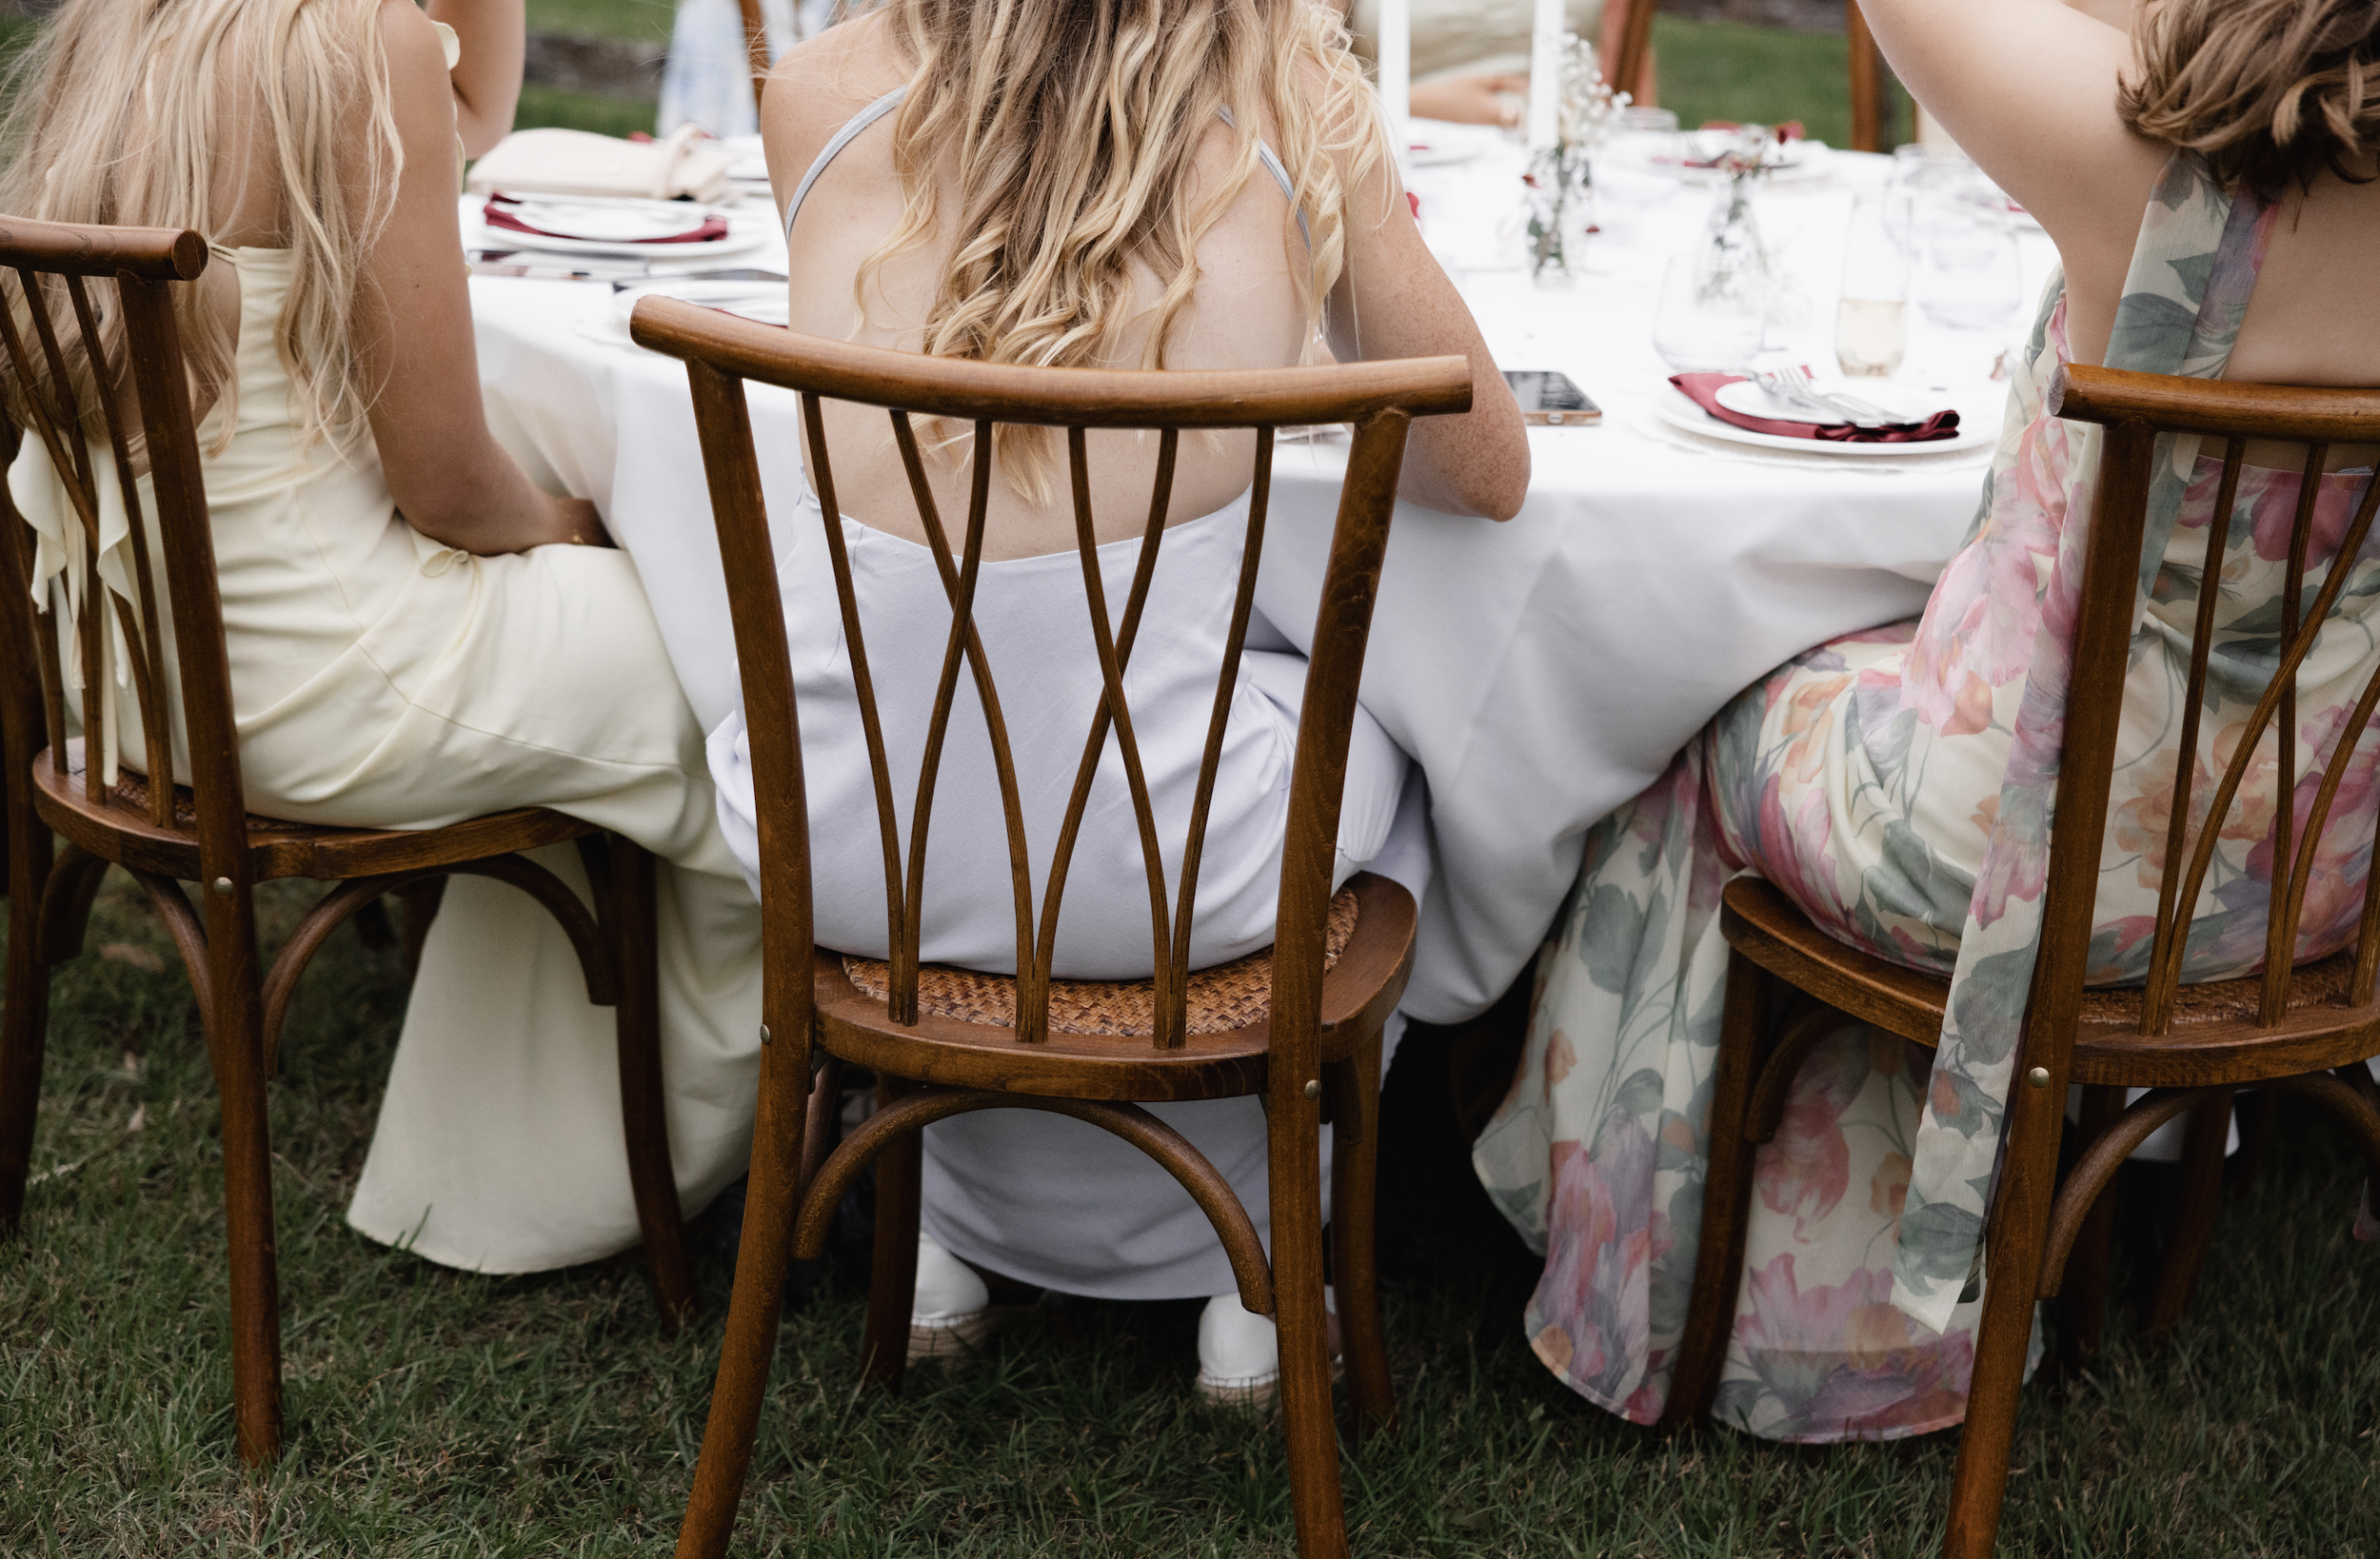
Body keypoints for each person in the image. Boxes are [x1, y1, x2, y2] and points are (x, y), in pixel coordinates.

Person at [1474, 0, 2380, 1441]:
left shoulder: (2147, 165)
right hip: (2305, 887)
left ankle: (1680, 1302)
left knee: (1714, 709)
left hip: (2019, 873)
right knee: (1877, 675)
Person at [726, 0, 1527, 1401]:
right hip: (1175, 881)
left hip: (847, 855)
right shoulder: (1292, 103)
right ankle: (1263, 1278)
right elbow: (1492, 468)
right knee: (1392, 732)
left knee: (984, 729)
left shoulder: (811, 88)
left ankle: (940, 1243)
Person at [2, 0, 764, 1273]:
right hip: (324, 691)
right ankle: (767, 1140)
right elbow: (453, 491)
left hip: (143, 683)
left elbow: (479, 124)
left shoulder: (127, 23)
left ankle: (500, 1164)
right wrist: (583, 525)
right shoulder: (361, 48)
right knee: (741, 667)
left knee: (640, 640)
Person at [1341, 0, 1609, 127]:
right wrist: (1407, 102)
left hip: (1572, 154)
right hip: (1399, 151)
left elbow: (1628, 55)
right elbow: (1307, 75)